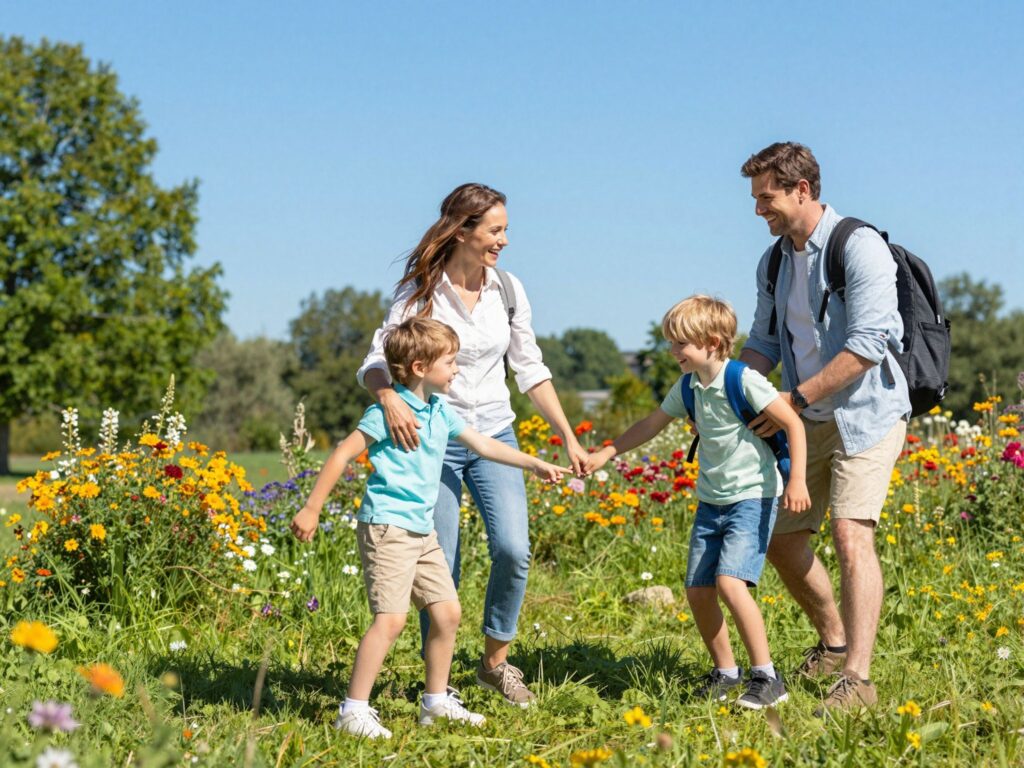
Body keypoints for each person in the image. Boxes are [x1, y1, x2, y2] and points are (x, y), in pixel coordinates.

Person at [356, 183, 587, 707]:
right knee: (441, 560)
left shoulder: (508, 290)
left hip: (494, 432)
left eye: (505, 229)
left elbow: (530, 370)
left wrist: (567, 436)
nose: (504, 240)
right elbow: (378, 358)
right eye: (495, 230)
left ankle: (494, 664)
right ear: (462, 230)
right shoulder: (420, 291)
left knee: (513, 549)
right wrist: (389, 399)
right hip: (429, 437)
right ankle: (437, 684)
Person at [291, 317, 566, 739]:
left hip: (421, 532)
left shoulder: (440, 411)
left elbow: (485, 445)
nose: (458, 369)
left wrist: (535, 463)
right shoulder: (387, 412)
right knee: (391, 621)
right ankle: (353, 710)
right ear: (420, 367)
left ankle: (436, 702)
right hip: (387, 527)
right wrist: (312, 509)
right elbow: (341, 455)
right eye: (451, 362)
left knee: (448, 612)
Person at [739, 141, 911, 713]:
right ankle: (835, 644)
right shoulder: (774, 260)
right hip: (808, 416)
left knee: (849, 533)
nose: (759, 209)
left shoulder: (858, 247)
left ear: (801, 191)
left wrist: (790, 396)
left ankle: (857, 681)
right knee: (782, 538)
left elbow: (866, 345)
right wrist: (730, 388)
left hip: (868, 412)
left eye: (767, 198)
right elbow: (764, 342)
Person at [584, 295, 809, 709]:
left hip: (752, 497)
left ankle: (767, 677)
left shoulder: (743, 380)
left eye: (679, 344)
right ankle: (726, 674)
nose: (672, 352)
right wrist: (606, 452)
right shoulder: (688, 386)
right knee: (698, 590)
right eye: (671, 343)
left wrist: (796, 480)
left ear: (709, 342)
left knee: (729, 583)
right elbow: (651, 424)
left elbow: (792, 421)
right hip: (712, 502)